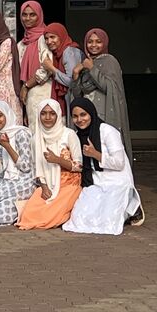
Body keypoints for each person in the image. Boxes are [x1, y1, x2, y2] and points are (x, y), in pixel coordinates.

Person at [63, 97, 142, 235]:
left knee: (109, 220)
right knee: (80, 218)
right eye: (75, 116)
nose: (79, 120)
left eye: (83, 115)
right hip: (96, 180)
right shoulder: (78, 135)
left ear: (91, 114)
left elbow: (119, 163)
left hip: (116, 179)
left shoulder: (107, 131)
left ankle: (133, 207)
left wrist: (95, 154)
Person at [17, 99, 82, 230]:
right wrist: (44, 187)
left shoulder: (69, 134)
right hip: (47, 184)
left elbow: (79, 166)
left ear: (58, 115)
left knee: (51, 217)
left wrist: (58, 160)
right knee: (29, 215)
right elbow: (37, 167)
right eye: (43, 113)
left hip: (68, 184)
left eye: (52, 113)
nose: (47, 117)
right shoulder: (36, 138)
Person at [70, 28, 132, 160]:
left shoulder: (110, 61)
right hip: (86, 116)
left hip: (104, 113)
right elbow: (77, 95)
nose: (93, 45)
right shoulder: (84, 63)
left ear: (104, 43)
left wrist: (91, 68)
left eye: (98, 41)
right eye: (90, 42)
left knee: (105, 149)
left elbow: (108, 87)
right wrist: (75, 75)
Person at [18, 1, 52, 132]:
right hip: (29, 98)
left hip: (44, 92)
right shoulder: (22, 44)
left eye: (32, 15)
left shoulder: (45, 38)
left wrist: (26, 86)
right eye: (24, 15)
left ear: (39, 16)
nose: (27, 18)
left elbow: (47, 68)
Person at [43, 22, 82, 117]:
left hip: (76, 97)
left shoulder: (69, 52)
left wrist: (51, 68)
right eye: (46, 38)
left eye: (53, 37)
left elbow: (71, 81)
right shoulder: (60, 53)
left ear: (61, 36)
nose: (49, 41)